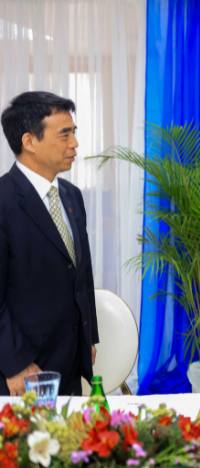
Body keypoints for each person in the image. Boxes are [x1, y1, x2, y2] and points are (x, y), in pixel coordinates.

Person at [0, 91, 98, 396]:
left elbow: (81, 272)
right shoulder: (3, 200)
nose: (75, 144)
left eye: (74, 132)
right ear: (29, 141)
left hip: (69, 359)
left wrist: (89, 337)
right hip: (26, 368)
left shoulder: (71, 196)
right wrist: (16, 363)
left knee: (73, 442)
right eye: (64, 134)